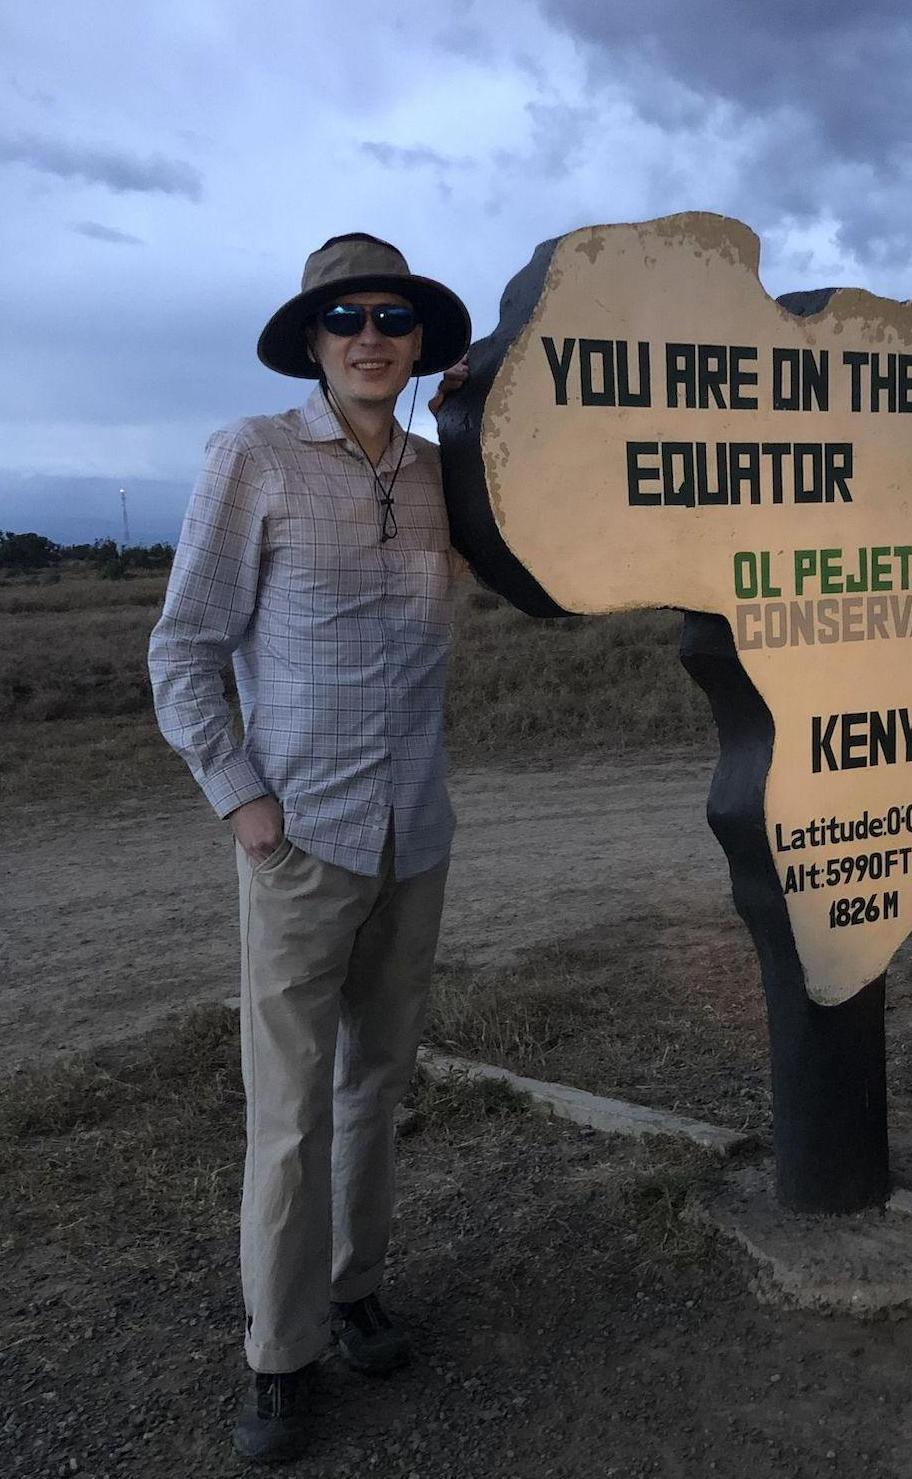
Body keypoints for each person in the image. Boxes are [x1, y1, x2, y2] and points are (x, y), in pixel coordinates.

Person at [149, 233, 471, 1461]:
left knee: (377, 1083)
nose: (371, 333)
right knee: (286, 1111)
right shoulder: (255, 457)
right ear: (316, 339)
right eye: (347, 318)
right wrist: (242, 802)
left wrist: (490, 422)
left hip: (416, 832)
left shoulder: (447, 476)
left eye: (393, 315)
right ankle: (277, 1354)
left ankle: (354, 1289)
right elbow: (183, 649)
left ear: (418, 340)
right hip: (305, 840)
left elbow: (547, 549)